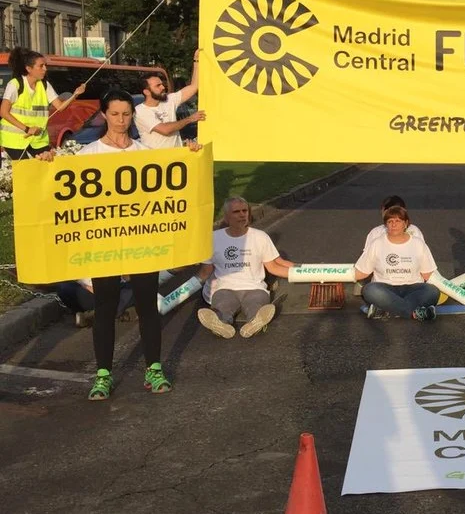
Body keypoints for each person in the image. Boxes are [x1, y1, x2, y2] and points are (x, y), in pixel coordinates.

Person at [74, 89, 201, 400]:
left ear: (133, 115)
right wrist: (46, 162)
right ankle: (103, 374)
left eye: (127, 114)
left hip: (141, 242)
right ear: (104, 115)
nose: (121, 120)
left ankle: (153, 368)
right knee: (105, 307)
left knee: (146, 304)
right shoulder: (87, 155)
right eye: (115, 114)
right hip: (103, 245)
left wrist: (191, 156)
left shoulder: (144, 152)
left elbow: (170, 186)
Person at [196, 197, 294, 339]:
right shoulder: (213, 239)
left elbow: (274, 267)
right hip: (224, 288)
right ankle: (220, 323)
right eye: (236, 212)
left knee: (256, 304)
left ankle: (255, 322)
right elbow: (205, 272)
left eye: (244, 211)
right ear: (226, 217)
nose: (242, 215)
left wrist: (303, 271)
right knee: (223, 307)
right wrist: (182, 291)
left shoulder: (260, 237)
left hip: (254, 287)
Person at [353, 205, 439, 321]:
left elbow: (428, 274)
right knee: (369, 290)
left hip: (412, 288)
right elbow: (361, 272)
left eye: (398, 221)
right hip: (385, 288)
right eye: (390, 221)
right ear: (386, 224)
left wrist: (452, 289)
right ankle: (415, 313)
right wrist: (328, 274)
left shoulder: (418, 244)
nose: (393, 224)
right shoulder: (376, 244)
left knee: (432, 291)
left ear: (405, 223)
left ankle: (387, 310)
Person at [0, 46, 85, 160]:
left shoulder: (44, 85)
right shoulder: (15, 84)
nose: (45, 69)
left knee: (48, 164)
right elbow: (3, 112)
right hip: (14, 139)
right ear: (29, 69)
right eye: (41, 66)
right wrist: (27, 129)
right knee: (27, 170)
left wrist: (75, 94)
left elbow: (60, 107)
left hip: (38, 139)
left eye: (45, 65)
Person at [133, 49, 204, 149]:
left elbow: (194, 87)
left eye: (162, 84)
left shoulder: (169, 100)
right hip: (157, 160)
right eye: (158, 86)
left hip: (177, 158)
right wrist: (190, 119)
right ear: (146, 92)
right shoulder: (140, 111)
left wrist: (197, 61)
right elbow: (165, 130)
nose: (163, 87)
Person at [55, 278, 134, 328]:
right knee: (63, 287)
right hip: (91, 293)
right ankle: (112, 311)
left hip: (111, 290)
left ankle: (92, 314)